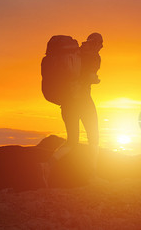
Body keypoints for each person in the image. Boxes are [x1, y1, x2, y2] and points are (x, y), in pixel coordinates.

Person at [41, 33, 103, 186]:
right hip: (84, 102)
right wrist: (95, 80)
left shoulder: (76, 53)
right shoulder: (94, 57)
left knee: (72, 141)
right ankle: (92, 176)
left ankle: (46, 166)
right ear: (98, 44)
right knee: (94, 139)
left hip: (68, 103)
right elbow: (89, 77)